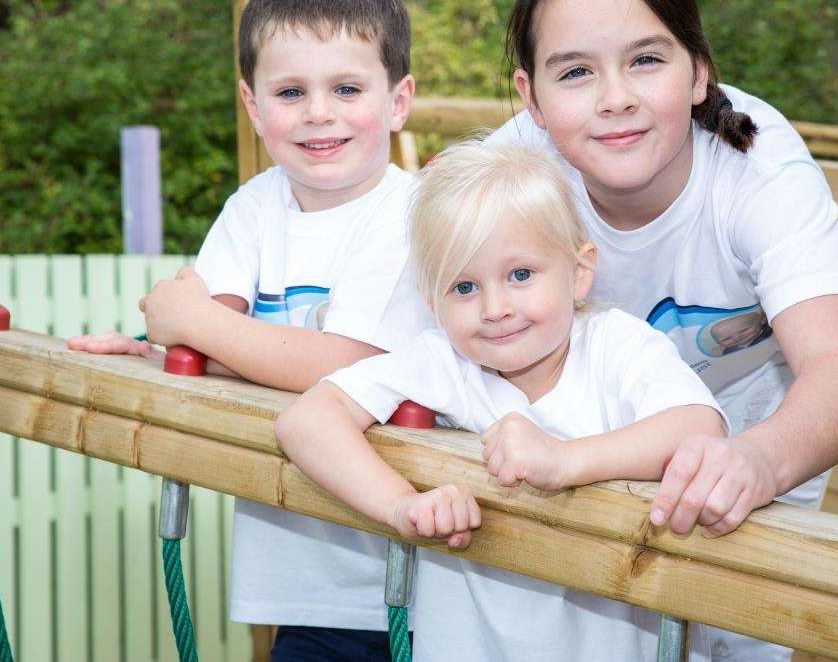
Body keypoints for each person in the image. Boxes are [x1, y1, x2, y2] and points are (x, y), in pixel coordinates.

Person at [489, 0, 838, 660]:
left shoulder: (756, 169)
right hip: (598, 446)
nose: (615, 99)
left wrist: (759, 459)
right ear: (531, 97)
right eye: (574, 72)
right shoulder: (508, 173)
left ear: (699, 72)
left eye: (645, 60)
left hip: (759, 437)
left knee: (734, 636)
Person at [68, 0, 432, 661]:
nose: (319, 112)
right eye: (291, 90)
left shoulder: (411, 213)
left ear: (398, 99)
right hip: (301, 576)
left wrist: (192, 323)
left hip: (414, 578)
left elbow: (348, 365)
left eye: (347, 87)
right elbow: (199, 347)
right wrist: (152, 349)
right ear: (252, 103)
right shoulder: (255, 206)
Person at [275, 141, 729, 662]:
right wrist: (401, 504)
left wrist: (564, 460)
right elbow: (306, 421)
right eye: (464, 287)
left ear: (579, 271)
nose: (494, 308)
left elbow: (700, 428)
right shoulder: (444, 361)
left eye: (520, 275)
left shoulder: (617, 347)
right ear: (432, 302)